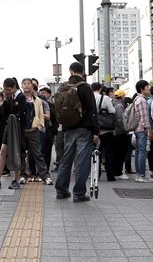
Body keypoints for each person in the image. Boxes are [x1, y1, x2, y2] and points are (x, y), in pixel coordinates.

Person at [55, 62, 98, 202]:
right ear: (83, 71)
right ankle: (79, 193)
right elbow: (92, 111)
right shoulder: (85, 87)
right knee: (82, 161)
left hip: (68, 129)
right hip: (84, 129)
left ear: (70, 71)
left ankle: (61, 191)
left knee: (66, 160)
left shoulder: (63, 87)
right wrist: (95, 131)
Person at [0, 78, 26, 190]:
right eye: (5, 89)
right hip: (8, 128)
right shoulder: (9, 97)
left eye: (8, 89)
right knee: (3, 151)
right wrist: (6, 100)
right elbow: (5, 112)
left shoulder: (21, 97)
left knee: (16, 152)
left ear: (14, 87)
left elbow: (20, 114)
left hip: (17, 129)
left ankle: (16, 179)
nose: (6, 91)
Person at [20, 78, 53, 185]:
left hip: (34, 130)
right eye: (24, 84)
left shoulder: (38, 101)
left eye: (28, 84)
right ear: (22, 86)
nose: (27, 86)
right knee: (21, 154)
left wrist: (40, 126)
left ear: (32, 86)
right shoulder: (19, 99)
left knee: (38, 154)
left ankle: (44, 175)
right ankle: (23, 174)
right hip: (22, 130)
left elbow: (40, 115)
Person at [92, 82, 117, 181]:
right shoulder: (105, 98)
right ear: (100, 89)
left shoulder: (89, 97)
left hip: (94, 131)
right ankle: (110, 175)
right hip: (106, 130)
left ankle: (95, 175)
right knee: (109, 153)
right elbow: (112, 111)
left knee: (95, 152)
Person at [133, 80, 151, 182]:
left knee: (138, 152)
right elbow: (144, 118)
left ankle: (138, 175)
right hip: (141, 129)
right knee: (142, 152)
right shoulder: (142, 100)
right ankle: (141, 175)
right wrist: (148, 130)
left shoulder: (136, 99)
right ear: (142, 89)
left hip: (137, 128)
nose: (148, 89)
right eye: (147, 87)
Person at [111, 89, 129, 179]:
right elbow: (120, 120)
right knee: (120, 153)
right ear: (122, 97)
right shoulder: (119, 106)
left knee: (116, 152)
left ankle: (116, 171)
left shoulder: (113, 104)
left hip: (114, 132)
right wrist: (125, 130)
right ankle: (118, 172)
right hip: (120, 133)